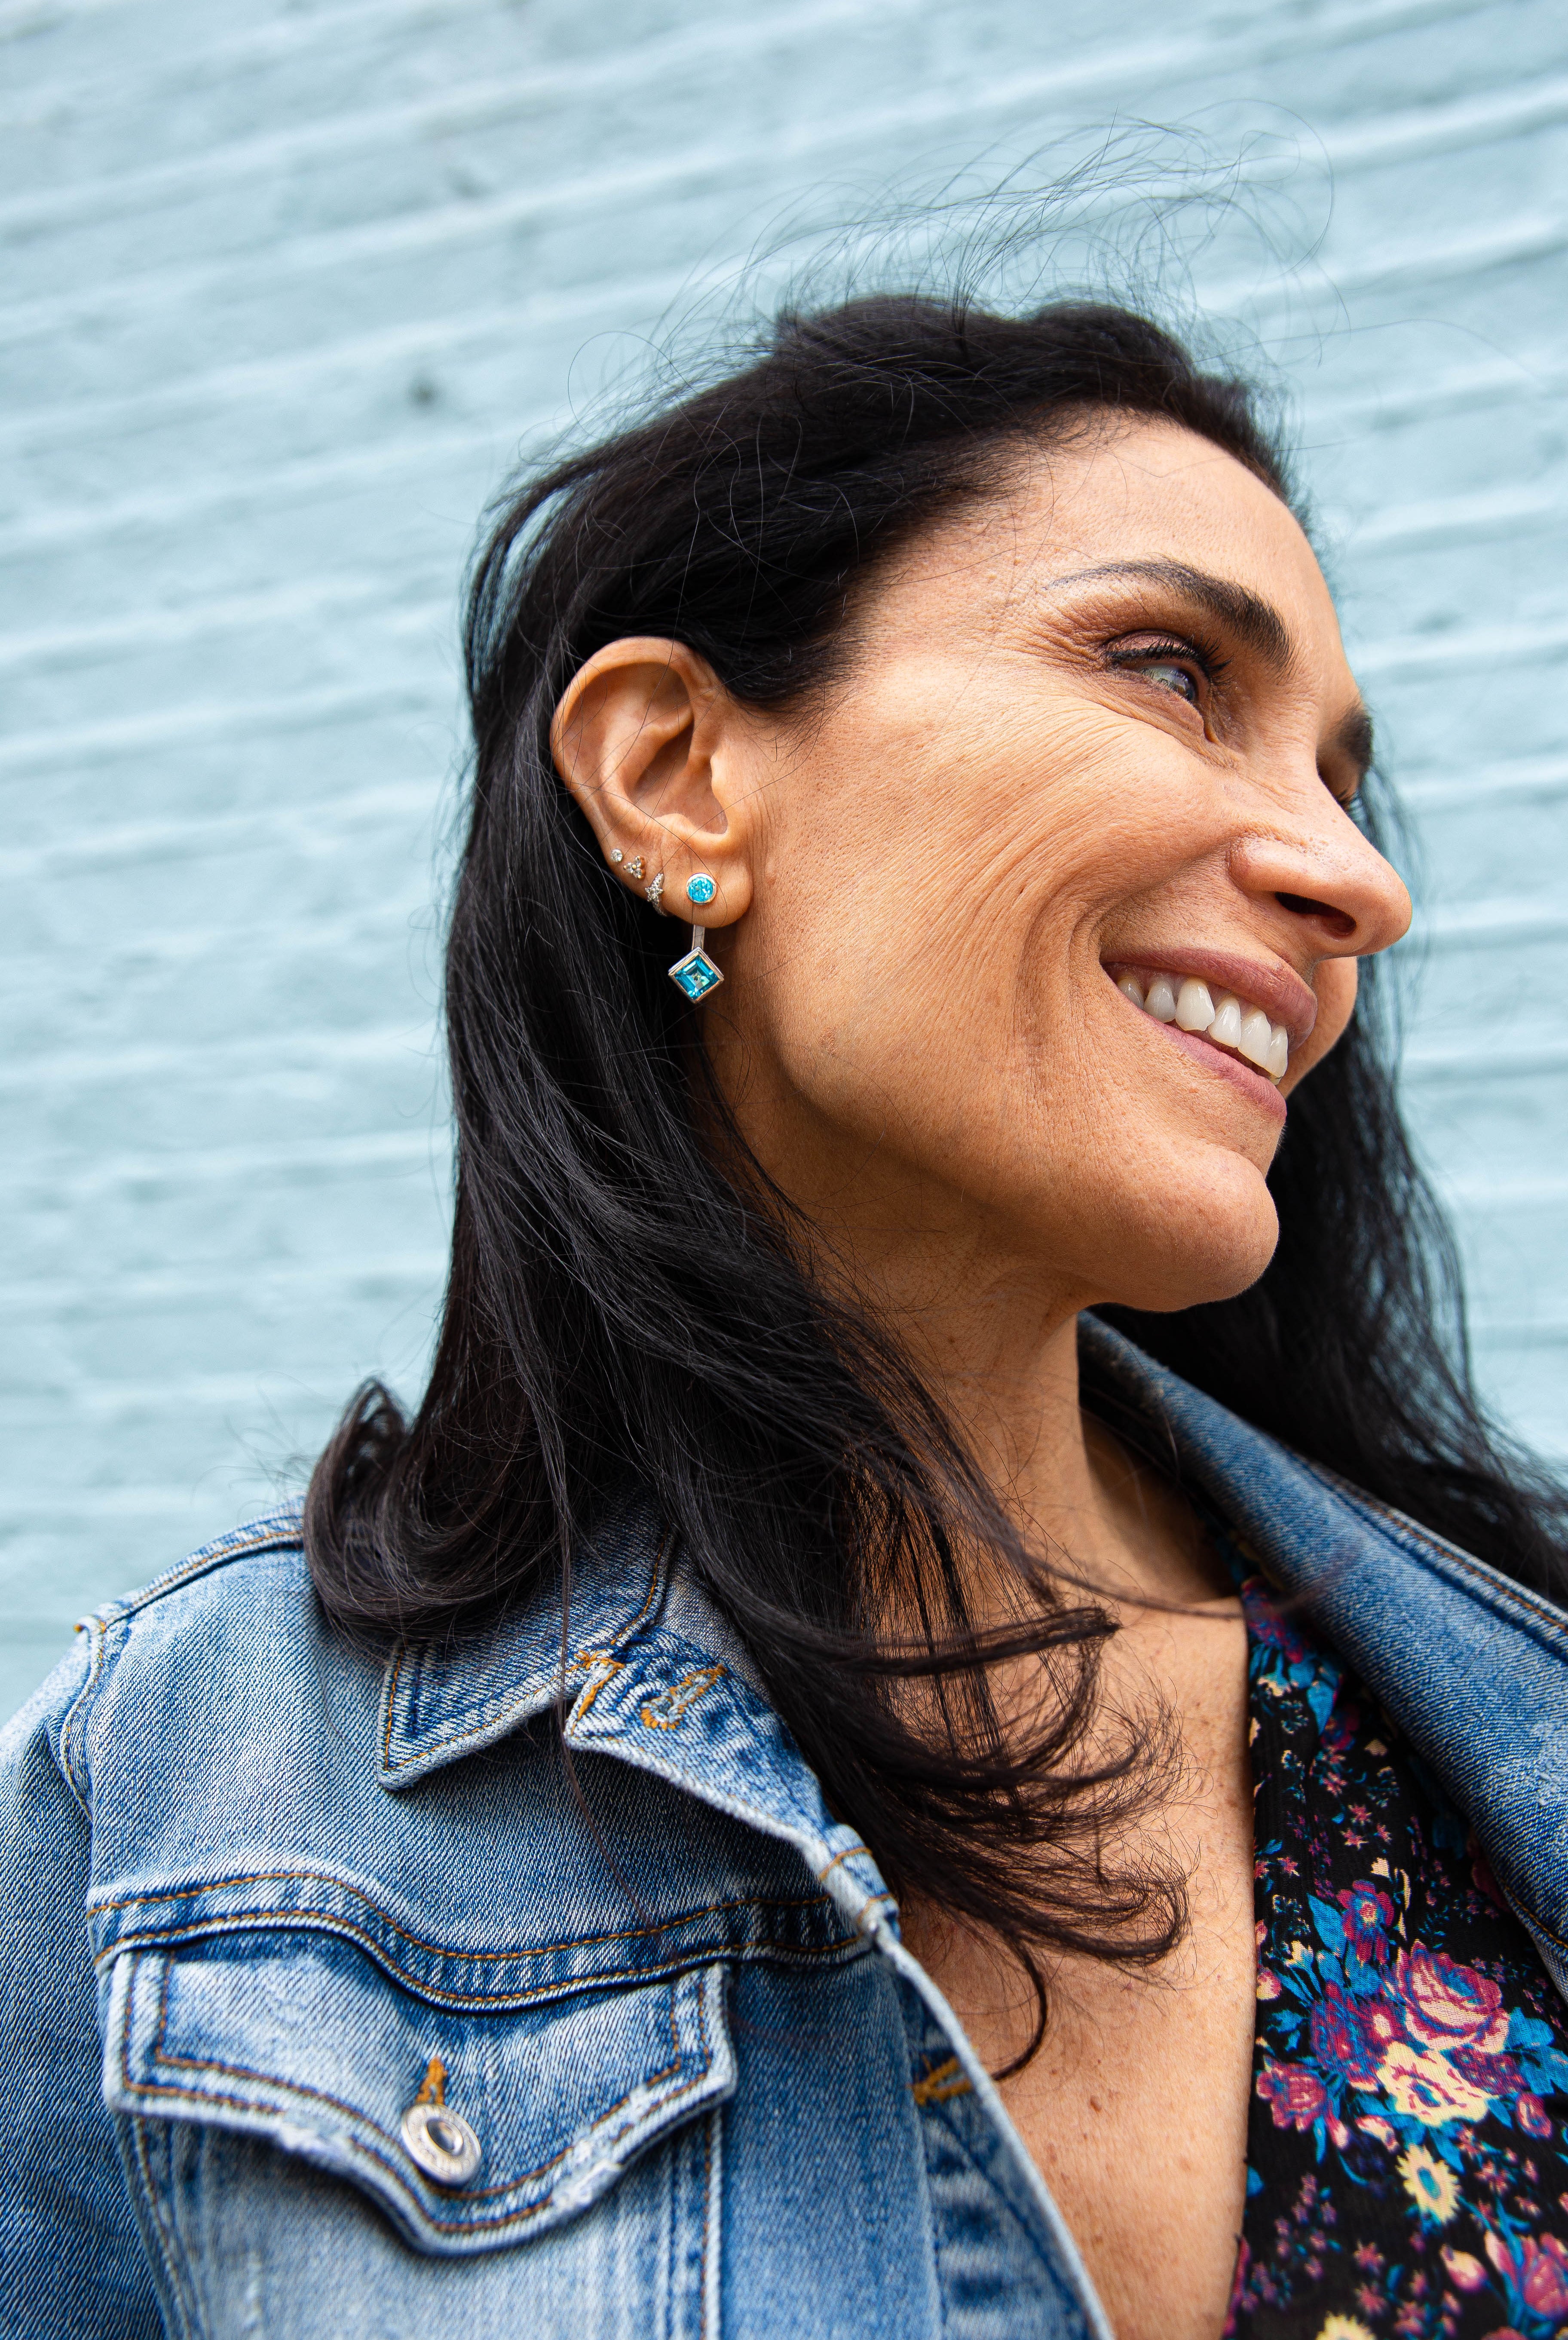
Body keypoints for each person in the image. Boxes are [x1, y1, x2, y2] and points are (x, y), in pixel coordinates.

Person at [5, 286, 1568, 2340]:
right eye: (1173, 670)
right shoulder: (184, 1805)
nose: (1362, 881)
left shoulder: (1491, 1727)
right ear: (675, 776)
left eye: (1343, 779)